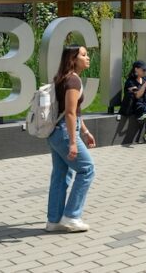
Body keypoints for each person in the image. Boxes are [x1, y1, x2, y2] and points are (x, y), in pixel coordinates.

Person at [45, 45, 96, 233]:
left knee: (60, 175)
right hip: (65, 133)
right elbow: (69, 112)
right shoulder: (73, 81)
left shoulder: (62, 78)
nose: (87, 57)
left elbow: (71, 112)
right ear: (73, 59)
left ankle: (53, 221)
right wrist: (74, 142)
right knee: (87, 169)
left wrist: (85, 130)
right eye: (83, 55)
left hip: (56, 133)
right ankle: (72, 216)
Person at [123, 60, 146, 143]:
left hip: (144, 104)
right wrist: (145, 85)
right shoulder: (130, 81)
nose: (145, 72)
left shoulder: (144, 78)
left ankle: (145, 115)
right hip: (136, 105)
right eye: (143, 70)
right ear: (136, 69)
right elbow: (138, 95)